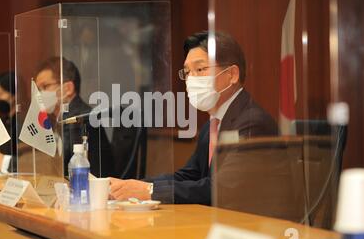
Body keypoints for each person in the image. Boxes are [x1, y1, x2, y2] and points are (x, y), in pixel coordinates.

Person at [109, 31, 278, 205]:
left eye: (200, 69)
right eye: (187, 72)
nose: (191, 79)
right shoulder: (211, 125)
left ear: (232, 75)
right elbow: (189, 175)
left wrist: (149, 191)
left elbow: (221, 188)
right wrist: (131, 186)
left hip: (253, 226)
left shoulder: (253, 123)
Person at [35, 57, 115, 177]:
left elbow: (57, 160)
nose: (39, 94)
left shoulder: (80, 118)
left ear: (68, 88)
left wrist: (8, 162)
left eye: (45, 87)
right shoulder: (60, 118)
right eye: (38, 89)